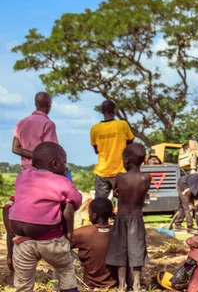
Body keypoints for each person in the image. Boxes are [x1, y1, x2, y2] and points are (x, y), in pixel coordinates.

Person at [9, 142, 82, 292]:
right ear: (56, 164)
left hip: (21, 241)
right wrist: (68, 231)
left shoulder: (22, 176)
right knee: (65, 270)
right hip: (50, 241)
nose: (65, 167)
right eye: (64, 163)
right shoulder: (62, 181)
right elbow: (76, 200)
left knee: (23, 285)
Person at [105, 143, 151, 292]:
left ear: (127, 160)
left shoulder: (120, 176)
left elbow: (116, 191)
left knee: (120, 252)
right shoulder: (146, 178)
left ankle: (122, 285)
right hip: (137, 219)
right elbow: (141, 195)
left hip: (121, 219)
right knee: (137, 251)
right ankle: (137, 285)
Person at [90, 100, 135, 199]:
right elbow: (130, 143)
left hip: (102, 172)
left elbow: (96, 150)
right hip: (120, 171)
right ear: (114, 110)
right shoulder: (122, 125)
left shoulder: (95, 129)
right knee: (124, 202)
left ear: (102, 111)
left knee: (100, 204)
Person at [71, 197, 118, 289]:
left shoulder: (82, 233)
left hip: (90, 285)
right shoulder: (119, 231)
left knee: (62, 250)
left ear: (94, 215)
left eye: (89, 213)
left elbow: (61, 246)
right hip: (115, 285)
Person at [12, 92, 58, 171]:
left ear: (35, 104)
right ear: (49, 105)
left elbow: (15, 148)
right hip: (43, 171)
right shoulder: (48, 124)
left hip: (26, 172)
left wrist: (32, 155)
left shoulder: (21, 123)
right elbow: (51, 152)